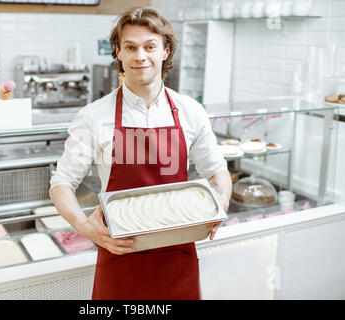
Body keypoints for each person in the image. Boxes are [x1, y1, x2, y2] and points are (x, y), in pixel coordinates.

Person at [50, 6, 231, 300]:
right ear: (118, 52)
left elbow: (216, 170)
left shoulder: (190, 111)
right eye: (130, 47)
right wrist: (84, 226)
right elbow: (61, 182)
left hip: (178, 255)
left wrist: (219, 205)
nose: (140, 56)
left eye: (150, 46)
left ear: (165, 51)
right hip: (120, 253)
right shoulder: (94, 116)